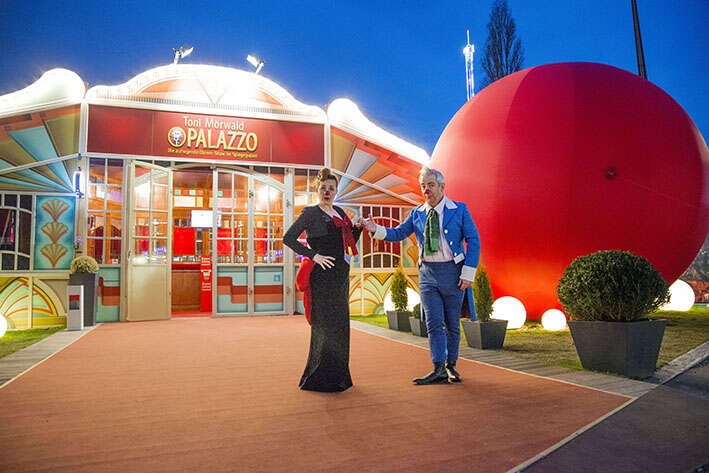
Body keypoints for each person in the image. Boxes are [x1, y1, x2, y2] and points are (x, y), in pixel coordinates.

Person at [364, 167, 480, 385]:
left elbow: (474, 240)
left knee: (452, 324)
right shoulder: (417, 213)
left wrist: (468, 273)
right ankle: (438, 368)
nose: (426, 190)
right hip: (427, 275)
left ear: (442, 186)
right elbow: (398, 233)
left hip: (453, 273)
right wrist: (375, 229)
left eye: (431, 185)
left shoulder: (460, 210)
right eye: (423, 186)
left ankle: (451, 366)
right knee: (434, 323)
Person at [283, 168, 363, 392]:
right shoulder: (310, 213)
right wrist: (313, 255)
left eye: (331, 188)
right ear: (317, 190)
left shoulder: (340, 212)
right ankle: (320, 378)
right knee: (325, 328)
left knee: (340, 327)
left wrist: (358, 227)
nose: (327, 192)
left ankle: (339, 377)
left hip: (340, 277)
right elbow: (288, 238)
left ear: (336, 191)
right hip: (322, 278)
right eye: (323, 188)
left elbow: (348, 241)